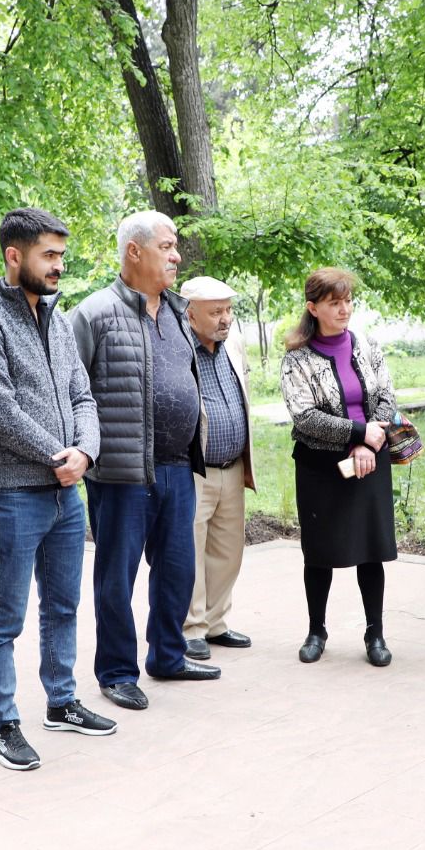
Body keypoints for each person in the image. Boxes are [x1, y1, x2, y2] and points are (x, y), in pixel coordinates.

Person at [0, 208, 117, 771]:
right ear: (14, 256)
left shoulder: (58, 317)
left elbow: (83, 395)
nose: (58, 266)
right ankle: (3, 725)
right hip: (14, 496)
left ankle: (61, 702)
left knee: (64, 605)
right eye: (49, 255)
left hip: (65, 494)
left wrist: (85, 452)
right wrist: (60, 457)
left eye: (61, 256)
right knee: (5, 616)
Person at [70, 210, 218, 712]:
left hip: (177, 465)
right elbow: (71, 391)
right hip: (121, 472)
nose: (177, 256)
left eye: (176, 247)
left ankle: (168, 656)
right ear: (134, 251)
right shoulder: (94, 313)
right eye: (166, 246)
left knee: (177, 570)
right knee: (117, 576)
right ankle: (116, 672)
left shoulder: (178, 312)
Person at [280, 268, 398, 667]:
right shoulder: (296, 358)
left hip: (370, 460)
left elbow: (386, 396)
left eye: (348, 301)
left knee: (371, 550)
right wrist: (358, 433)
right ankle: (316, 631)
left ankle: (375, 634)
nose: (344, 309)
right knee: (319, 552)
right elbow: (305, 417)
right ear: (313, 308)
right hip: (321, 467)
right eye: (334, 302)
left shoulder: (367, 345)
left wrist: (368, 441)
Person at [179, 275, 256, 661]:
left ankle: (215, 622)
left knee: (228, 550)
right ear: (190, 315)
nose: (225, 319)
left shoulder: (234, 343)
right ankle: (191, 626)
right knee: (190, 550)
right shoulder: (179, 348)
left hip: (233, 465)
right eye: (215, 312)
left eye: (228, 310)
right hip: (195, 469)